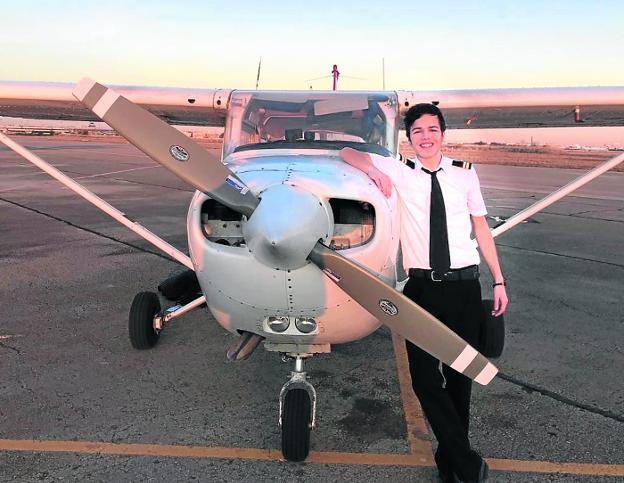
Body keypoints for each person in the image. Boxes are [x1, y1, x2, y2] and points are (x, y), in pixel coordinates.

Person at [340, 103, 508, 482]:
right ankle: (466, 461)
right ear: (410, 138)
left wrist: (498, 280)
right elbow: (346, 152)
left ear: (443, 134)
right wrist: (372, 171)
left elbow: (481, 229)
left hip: (465, 285)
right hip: (421, 288)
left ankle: (452, 465)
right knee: (424, 379)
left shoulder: (465, 175)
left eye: (433, 129)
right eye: (418, 131)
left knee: (459, 379)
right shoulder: (399, 170)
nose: (426, 137)